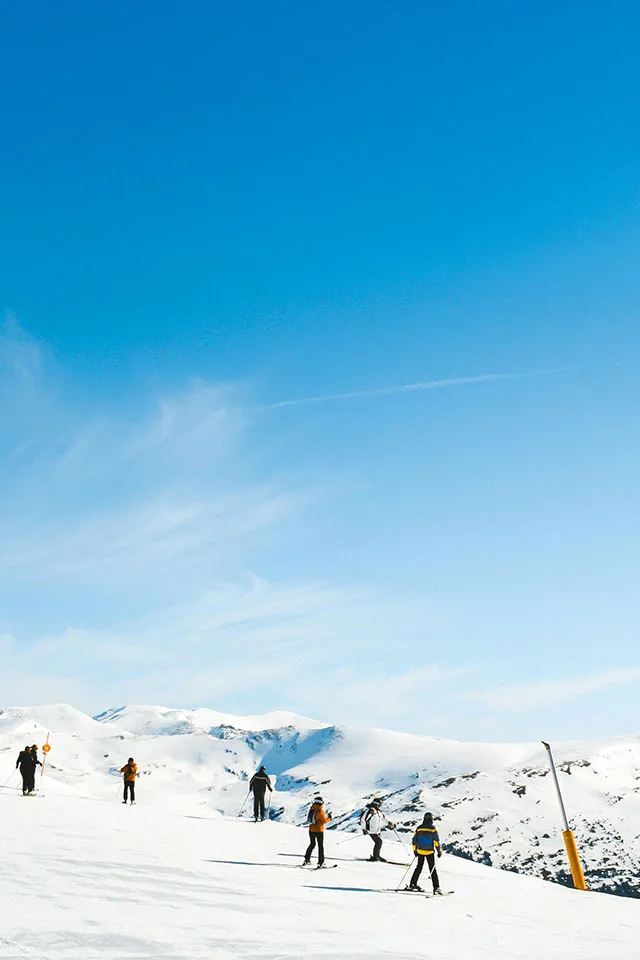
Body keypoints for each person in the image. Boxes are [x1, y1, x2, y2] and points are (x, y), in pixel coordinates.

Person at [408, 812, 443, 894]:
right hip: (429, 852)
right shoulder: (433, 828)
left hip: (420, 851)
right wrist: (439, 851)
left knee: (418, 868)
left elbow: (414, 840)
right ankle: (436, 888)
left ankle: (412, 884)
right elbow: (436, 841)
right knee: (432, 869)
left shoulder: (419, 828)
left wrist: (415, 851)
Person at [303, 796, 331, 867]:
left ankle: (307, 859)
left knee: (312, 844)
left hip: (311, 830)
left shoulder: (312, 808)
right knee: (320, 846)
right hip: (319, 830)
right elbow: (323, 821)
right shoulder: (320, 810)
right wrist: (329, 818)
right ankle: (321, 862)